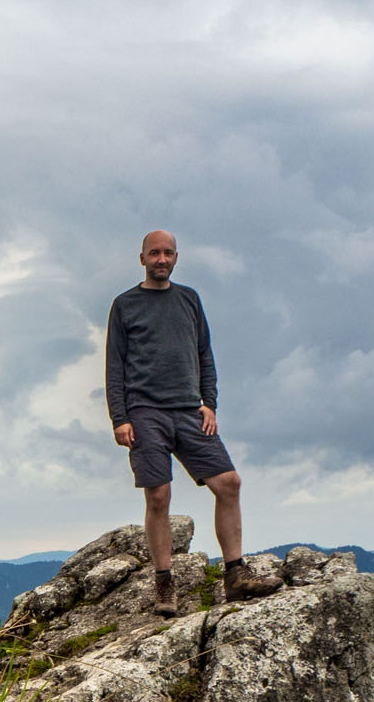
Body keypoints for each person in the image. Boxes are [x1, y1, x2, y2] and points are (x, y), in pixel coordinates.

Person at [105, 230, 281, 617]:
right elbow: (114, 365)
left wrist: (210, 404)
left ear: (176, 257)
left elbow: (205, 353)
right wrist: (120, 418)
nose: (161, 259)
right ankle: (164, 584)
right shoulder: (125, 304)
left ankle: (235, 575)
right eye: (155, 253)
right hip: (145, 412)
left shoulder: (189, 299)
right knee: (158, 496)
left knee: (229, 483)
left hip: (189, 410)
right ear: (142, 259)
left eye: (168, 253)